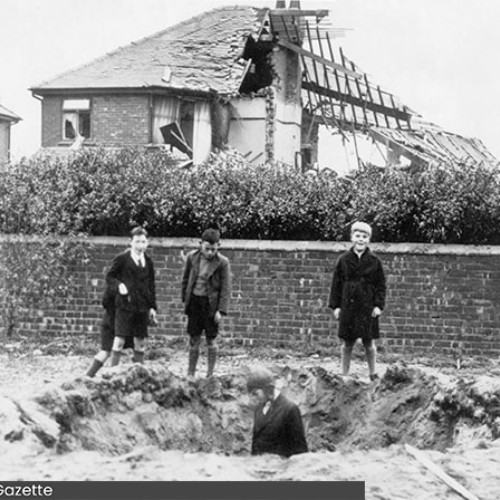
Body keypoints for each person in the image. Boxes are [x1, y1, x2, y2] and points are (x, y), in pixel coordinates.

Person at [328, 221, 386, 381]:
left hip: (367, 306)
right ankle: (344, 374)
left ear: (368, 239)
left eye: (364, 236)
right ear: (352, 237)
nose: (361, 239)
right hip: (348, 305)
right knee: (348, 343)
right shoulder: (343, 260)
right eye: (358, 236)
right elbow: (336, 284)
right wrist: (336, 306)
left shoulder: (375, 261)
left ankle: (373, 373)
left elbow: (381, 285)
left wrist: (378, 306)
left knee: (369, 342)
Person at [181, 227, 231, 378]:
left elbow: (226, 288)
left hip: (211, 306)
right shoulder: (192, 257)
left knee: (211, 339)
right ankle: (191, 374)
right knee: (194, 338)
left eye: (213, 249)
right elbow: (185, 280)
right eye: (207, 249)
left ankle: (209, 375)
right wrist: (186, 301)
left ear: (218, 246)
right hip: (195, 303)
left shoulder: (223, 263)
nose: (210, 252)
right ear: (200, 244)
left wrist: (221, 310)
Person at [105, 226, 157, 367]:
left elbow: (151, 286)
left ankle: (139, 373)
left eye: (143, 242)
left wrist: (152, 307)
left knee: (140, 342)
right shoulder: (122, 259)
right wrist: (119, 285)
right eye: (137, 242)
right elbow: (110, 277)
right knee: (119, 340)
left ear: (147, 243)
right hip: (125, 306)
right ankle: (112, 372)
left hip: (142, 307)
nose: (140, 246)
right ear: (130, 242)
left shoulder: (149, 262)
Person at [247, 367, 308, 458]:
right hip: (260, 468)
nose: (253, 398)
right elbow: (256, 444)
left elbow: (300, 452)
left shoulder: (289, 410)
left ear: (268, 389)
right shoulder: (259, 408)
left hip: (281, 469)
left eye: (256, 394)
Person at [84, 282, 133, 377]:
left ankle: (113, 374)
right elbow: (105, 302)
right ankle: (90, 375)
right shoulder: (115, 285)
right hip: (111, 322)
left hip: (124, 322)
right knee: (106, 351)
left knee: (131, 348)